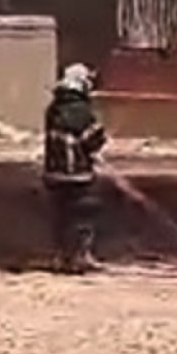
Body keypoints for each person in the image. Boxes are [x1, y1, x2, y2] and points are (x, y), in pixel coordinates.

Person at [43, 63, 108, 274]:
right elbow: (94, 138)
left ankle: (61, 257)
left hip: (53, 173)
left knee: (60, 216)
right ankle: (80, 256)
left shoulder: (53, 109)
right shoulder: (81, 110)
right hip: (78, 174)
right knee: (82, 215)